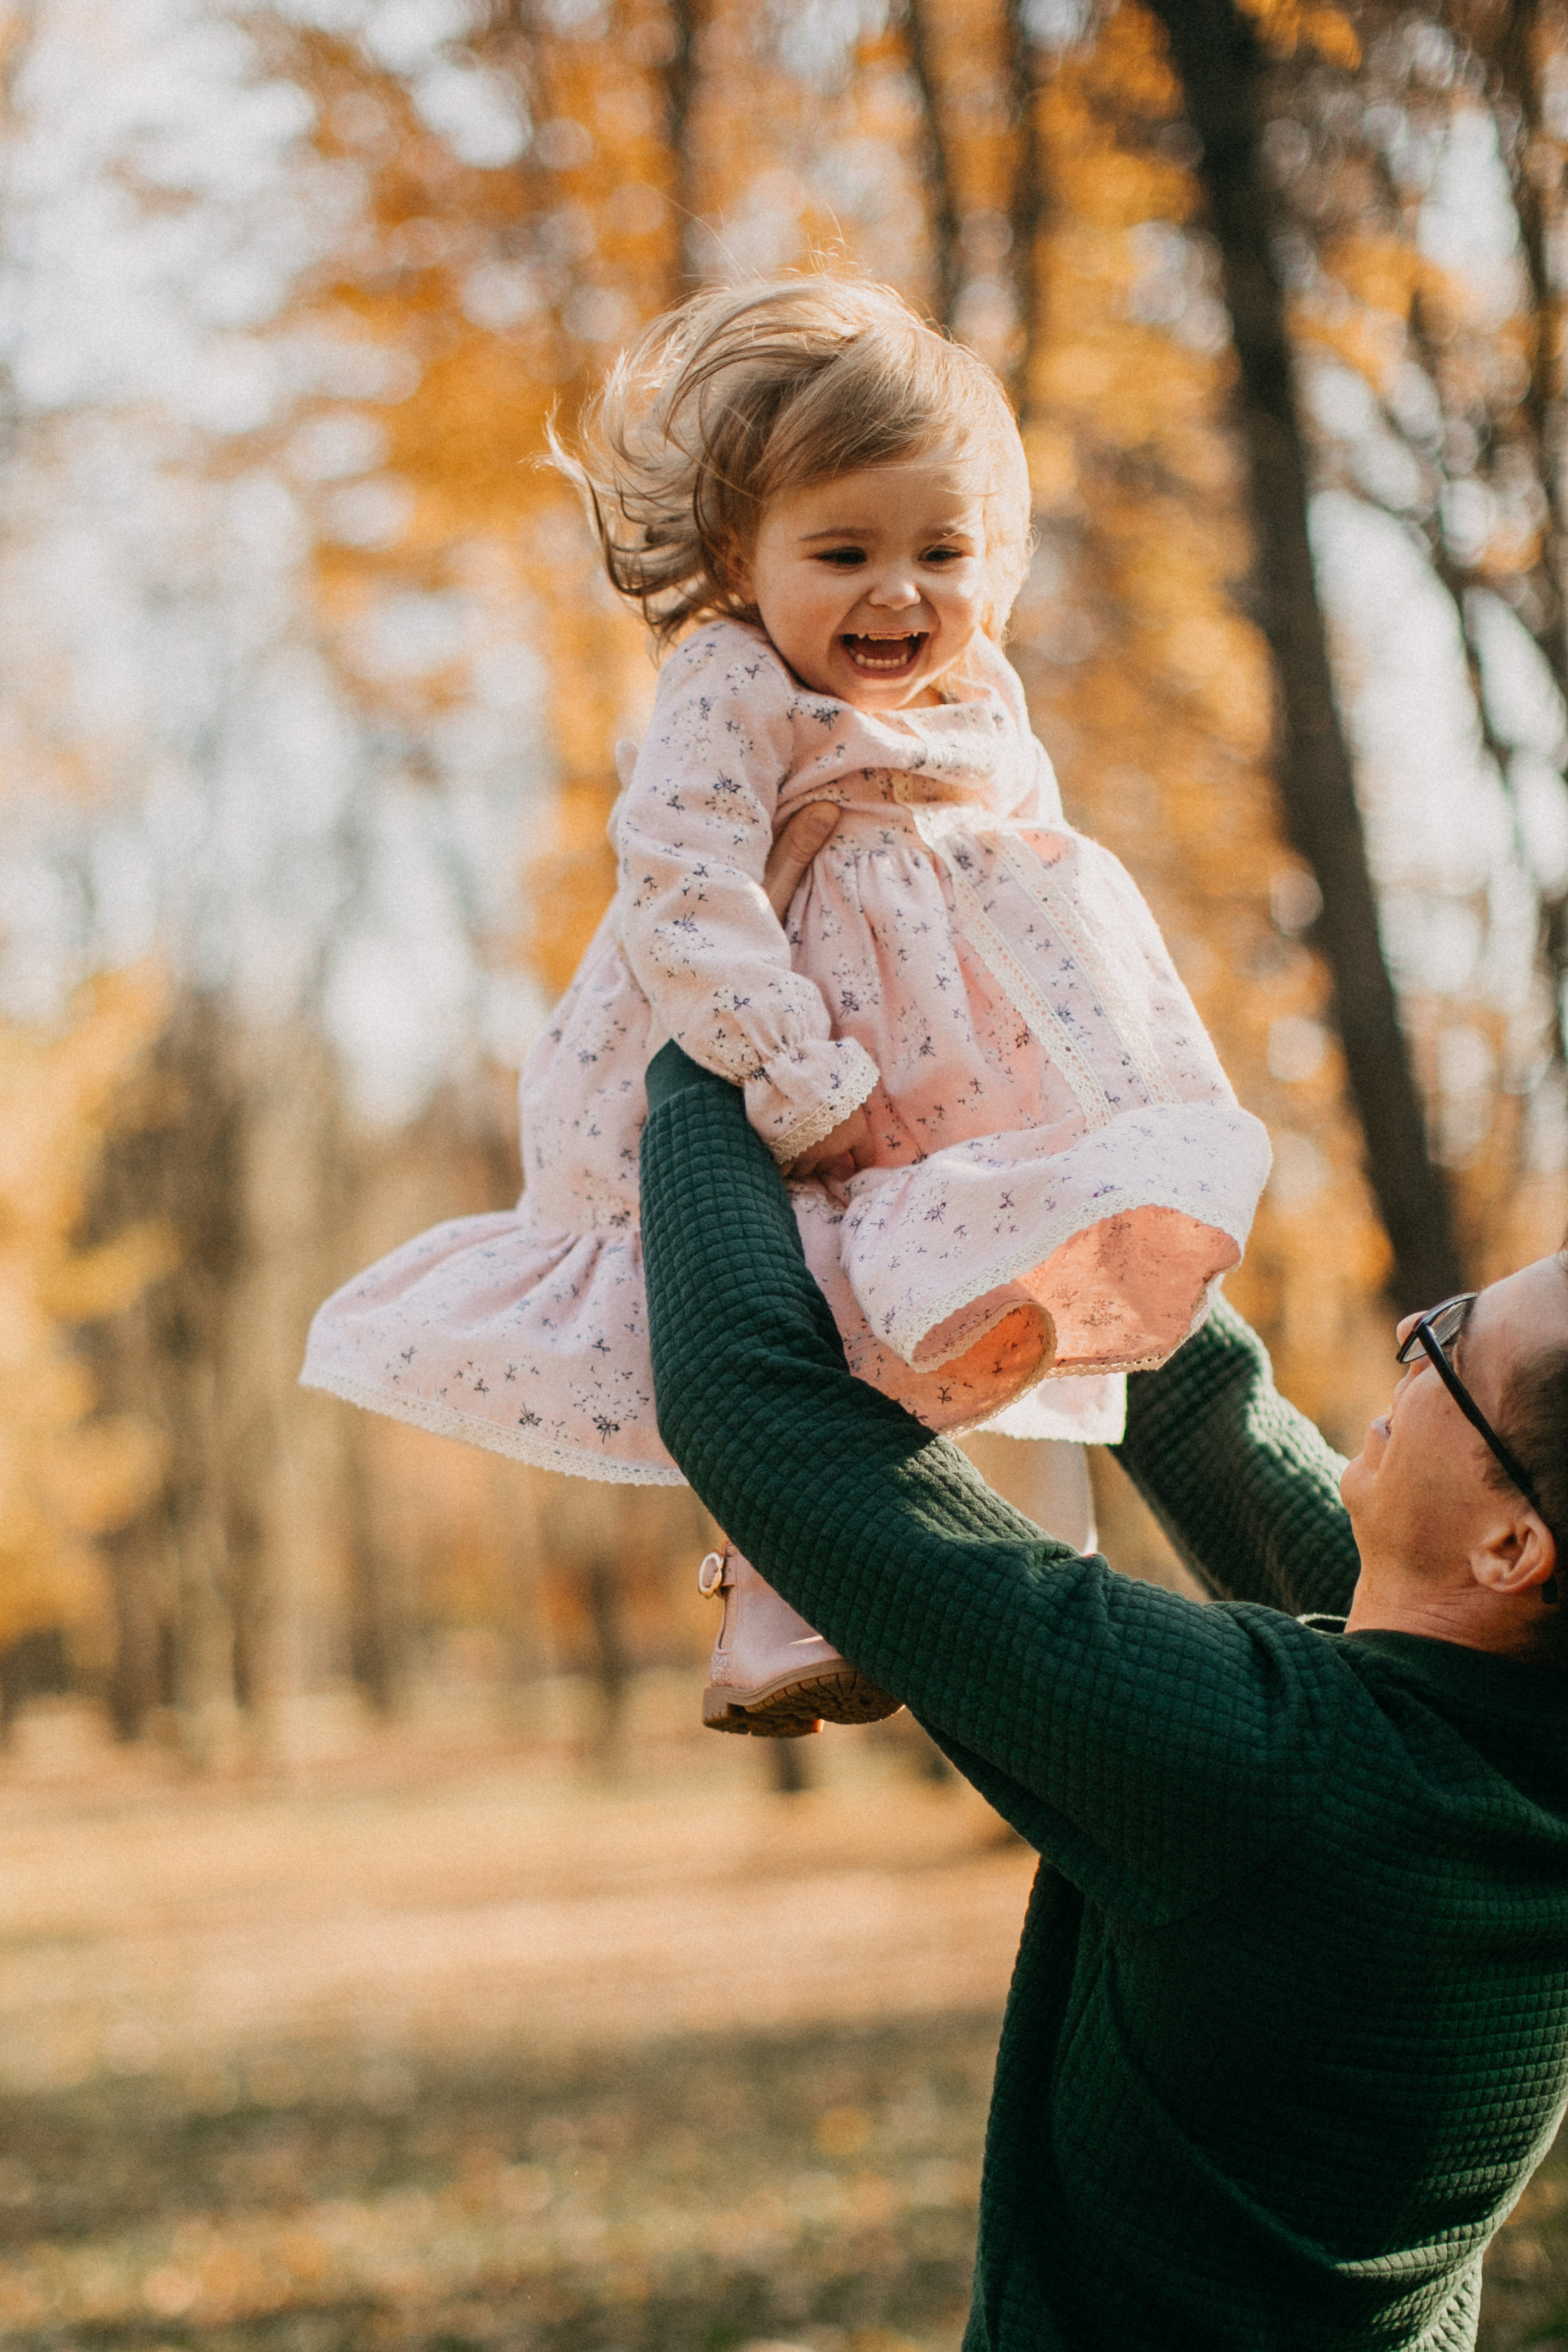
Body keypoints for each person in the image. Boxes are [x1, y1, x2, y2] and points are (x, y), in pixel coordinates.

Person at [303, 273, 1269, 1737]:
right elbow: (680, 873)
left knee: (994, 1298)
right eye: (844, 551)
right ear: (742, 562)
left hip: (963, 1084)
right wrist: (784, 1065)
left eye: (942, 551)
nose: (899, 592)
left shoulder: (982, 697)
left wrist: (1111, 1077)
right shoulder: (729, 680)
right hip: (796, 1059)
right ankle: (768, 1597)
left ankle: (1045, 1583)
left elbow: (1035, 881)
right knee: (787, 1312)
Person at [635, 874, 1568, 2349]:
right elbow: (1205, 1407)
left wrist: (708, 1026)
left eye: (1448, 1347)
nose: (1406, 1329)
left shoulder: (1272, 1774)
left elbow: (760, 1419)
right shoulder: (1507, 1740)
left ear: (1513, 1545)